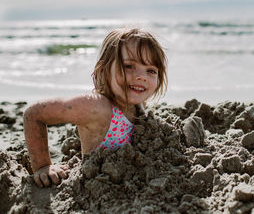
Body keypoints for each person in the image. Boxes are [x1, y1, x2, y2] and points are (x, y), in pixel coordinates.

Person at [23, 28, 168, 188]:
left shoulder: (137, 103)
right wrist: (43, 166)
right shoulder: (97, 107)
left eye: (151, 70)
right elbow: (33, 113)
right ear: (104, 69)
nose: (142, 76)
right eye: (128, 66)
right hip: (96, 188)